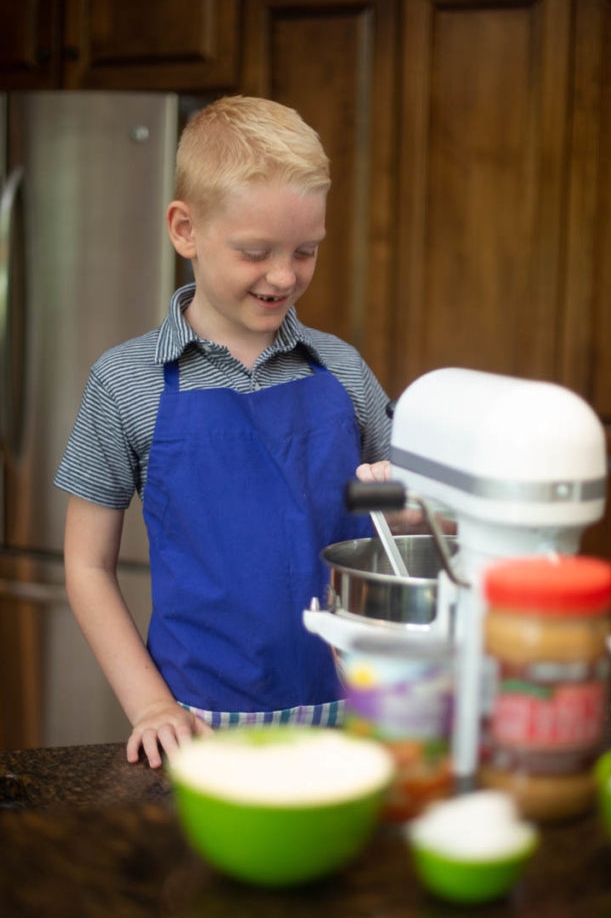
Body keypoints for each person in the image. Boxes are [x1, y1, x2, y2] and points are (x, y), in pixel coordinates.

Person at [55, 95, 392, 769]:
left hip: (356, 719)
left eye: (306, 251)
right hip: (199, 726)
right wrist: (150, 705)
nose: (283, 275)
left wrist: (397, 506)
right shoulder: (126, 383)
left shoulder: (344, 372)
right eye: (254, 252)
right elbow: (86, 566)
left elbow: (395, 522)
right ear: (185, 230)